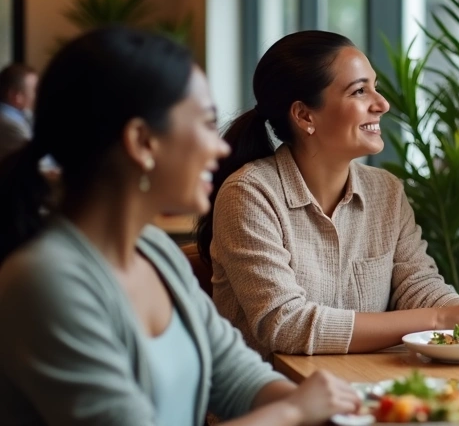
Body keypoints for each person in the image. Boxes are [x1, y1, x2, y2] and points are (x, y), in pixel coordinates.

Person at [0, 27, 359, 425]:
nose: (220, 146)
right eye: (205, 124)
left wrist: (330, 411)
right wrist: (295, 409)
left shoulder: (154, 251)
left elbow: (237, 377)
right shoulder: (45, 281)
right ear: (142, 141)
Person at [200, 31, 459, 358]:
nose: (382, 104)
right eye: (359, 91)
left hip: (370, 390)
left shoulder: (386, 191)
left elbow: (417, 287)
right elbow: (286, 324)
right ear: (305, 115)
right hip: (279, 401)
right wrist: (441, 318)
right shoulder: (249, 194)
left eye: (375, 87)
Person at [0, 63, 36, 159]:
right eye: (34, 90)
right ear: (17, 96)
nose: (37, 95)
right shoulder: (9, 125)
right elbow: (37, 158)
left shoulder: (23, 113)